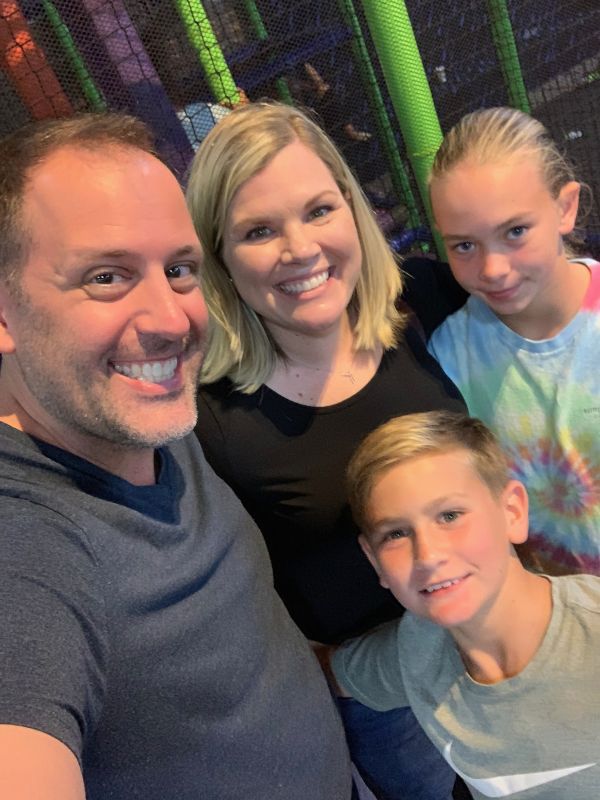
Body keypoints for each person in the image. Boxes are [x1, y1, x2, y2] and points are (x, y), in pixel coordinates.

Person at [0, 112, 353, 800]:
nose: (170, 319)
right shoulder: (29, 543)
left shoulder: (144, 413)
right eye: (107, 277)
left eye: (179, 269)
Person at [187, 101, 465, 800]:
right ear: (220, 256)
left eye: (318, 211)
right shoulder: (208, 419)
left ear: (350, 207)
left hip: (490, 634)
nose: (301, 249)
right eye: (258, 230)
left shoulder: (425, 302)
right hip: (379, 693)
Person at [330, 410, 600, 799]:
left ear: (512, 512)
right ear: (374, 561)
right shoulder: (414, 652)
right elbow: (324, 671)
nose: (428, 555)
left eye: (450, 515)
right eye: (397, 533)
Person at [425, 106, 600, 576]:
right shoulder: (449, 356)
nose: (493, 269)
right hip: (551, 604)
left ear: (565, 208)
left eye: (515, 232)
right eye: (464, 245)